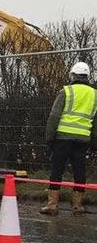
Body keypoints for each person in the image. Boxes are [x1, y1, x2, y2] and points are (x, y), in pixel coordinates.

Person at [42, 62, 97, 216]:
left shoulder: (66, 91)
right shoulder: (94, 94)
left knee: (56, 170)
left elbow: (54, 116)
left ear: (73, 75)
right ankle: (78, 206)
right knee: (80, 171)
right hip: (83, 140)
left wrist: (49, 137)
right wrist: (94, 139)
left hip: (63, 138)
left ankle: (52, 205)